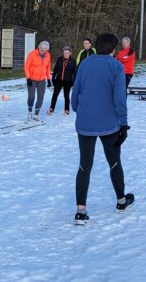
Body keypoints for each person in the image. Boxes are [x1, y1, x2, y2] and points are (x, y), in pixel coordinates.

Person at [71, 33, 134, 225]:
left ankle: (81, 212)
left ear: (96, 47)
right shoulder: (116, 66)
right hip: (109, 125)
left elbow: (76, 94)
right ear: (113, 49)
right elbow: (119, 99)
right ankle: (121, 202)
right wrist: (123, 124)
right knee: (114, 162)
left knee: (84, 165)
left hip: (85, 123)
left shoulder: (85, 64)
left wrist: (80, 110)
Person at [24, 41, 51, 121]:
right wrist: (28, 78)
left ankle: (36, 115)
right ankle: (29, 112)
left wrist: (48, 79)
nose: (43, 51)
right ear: (39, 47)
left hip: (42, 80)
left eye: (45, 50)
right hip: (32, 79)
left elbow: (48, 67)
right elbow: (26, 67)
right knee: (31, 97)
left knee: (40, 98)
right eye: (42, 49)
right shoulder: (32, 54)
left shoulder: (48, 55)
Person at [47, 46, 77, 115]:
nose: (66, 54)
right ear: (63, 53)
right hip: (59, 80)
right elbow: (55, 70)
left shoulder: (73, 61)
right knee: (55, 94)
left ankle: (66, 110)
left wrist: (73, 82)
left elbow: (75, 72)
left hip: (68, 81)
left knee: (66, 95)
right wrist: (53, 78)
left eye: (67, 53)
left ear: (70, 53)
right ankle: (51, 108)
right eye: (64, 53)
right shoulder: (59, 59)